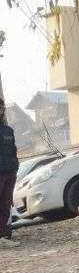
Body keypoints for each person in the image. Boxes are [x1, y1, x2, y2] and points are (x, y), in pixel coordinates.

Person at [0, 99, 19, 248]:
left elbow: (13, 151)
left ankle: (4, 235)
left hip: (10, 172)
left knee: (6, 204)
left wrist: (15, 167)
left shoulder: (8, 130)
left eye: (1, 107)